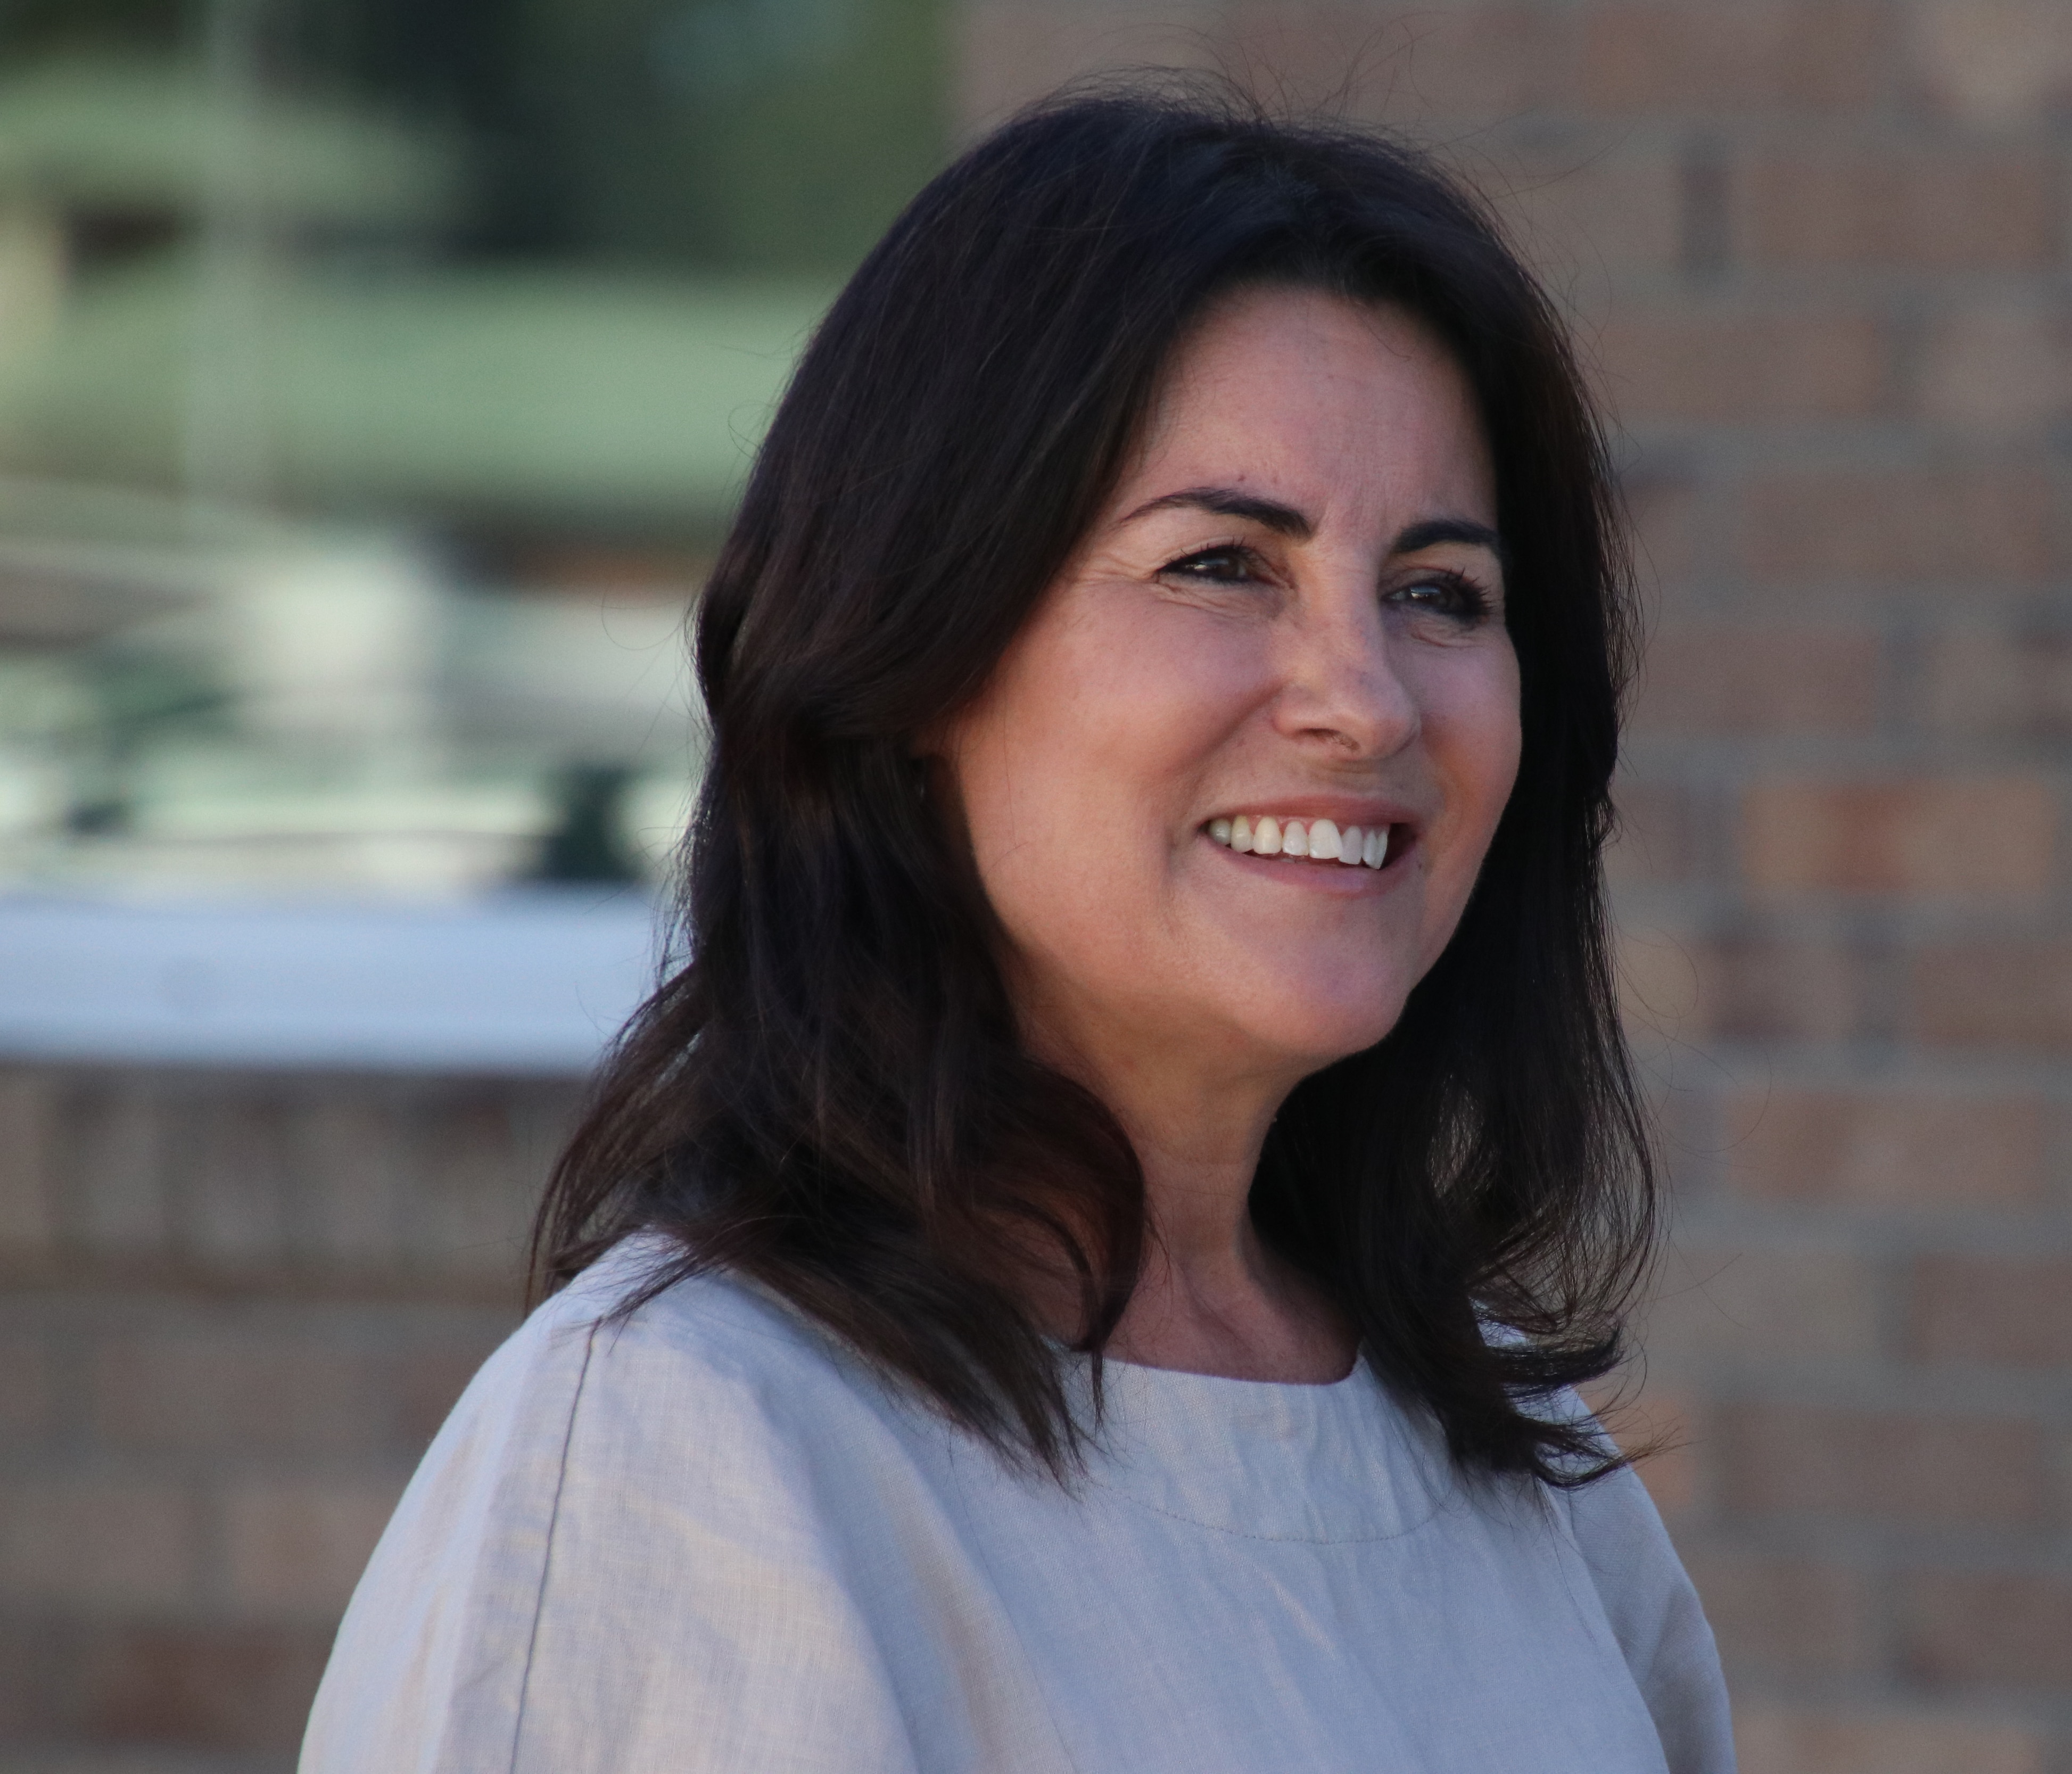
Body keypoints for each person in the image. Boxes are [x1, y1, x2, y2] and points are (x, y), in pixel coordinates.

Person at [301, 84, 1735, 1774]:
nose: (1364, 697)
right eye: (1220, 566)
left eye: (1439, 593)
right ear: (914, 658)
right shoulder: (689, 1459)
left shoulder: (1522, 1467)